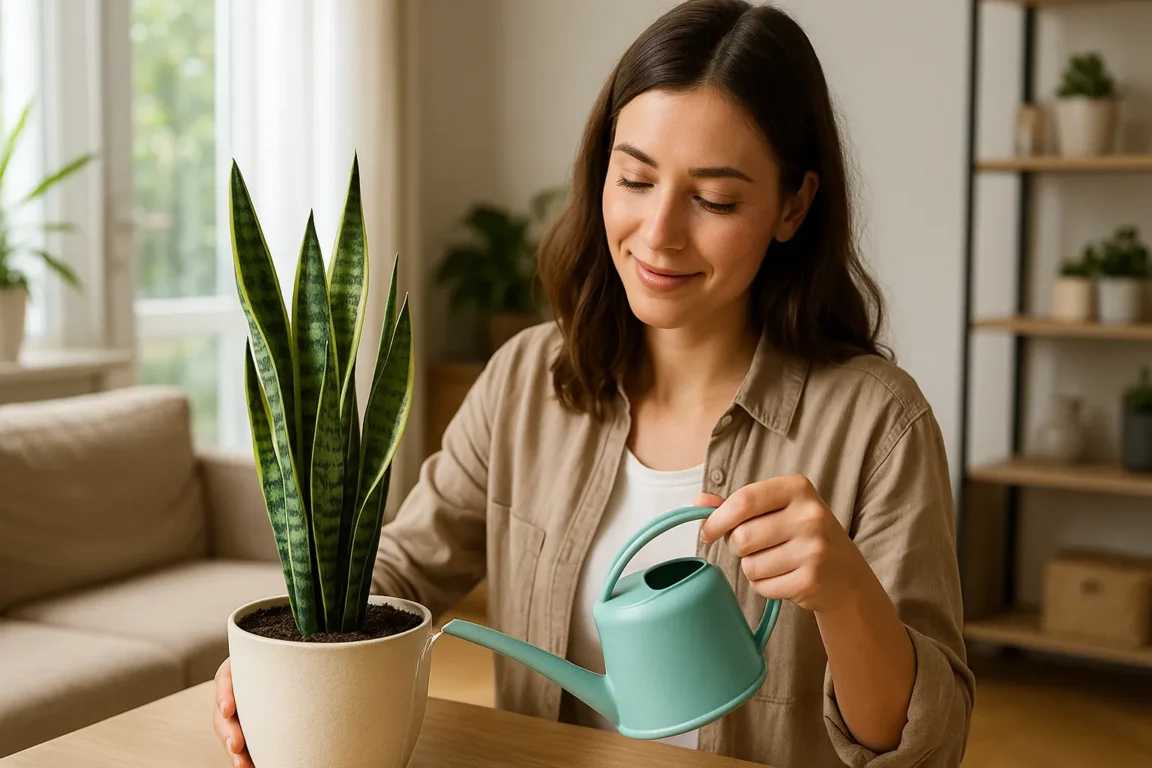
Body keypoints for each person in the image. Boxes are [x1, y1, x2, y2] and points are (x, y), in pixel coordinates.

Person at [213, 1, 974, 766]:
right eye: (635, 179)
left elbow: (925, 745)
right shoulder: (524, 382)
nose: (659, 233)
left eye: (714, 199)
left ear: (794, 205)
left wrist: (845, 594)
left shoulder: (879, 426)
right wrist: (285, 664)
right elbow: (399, 571)